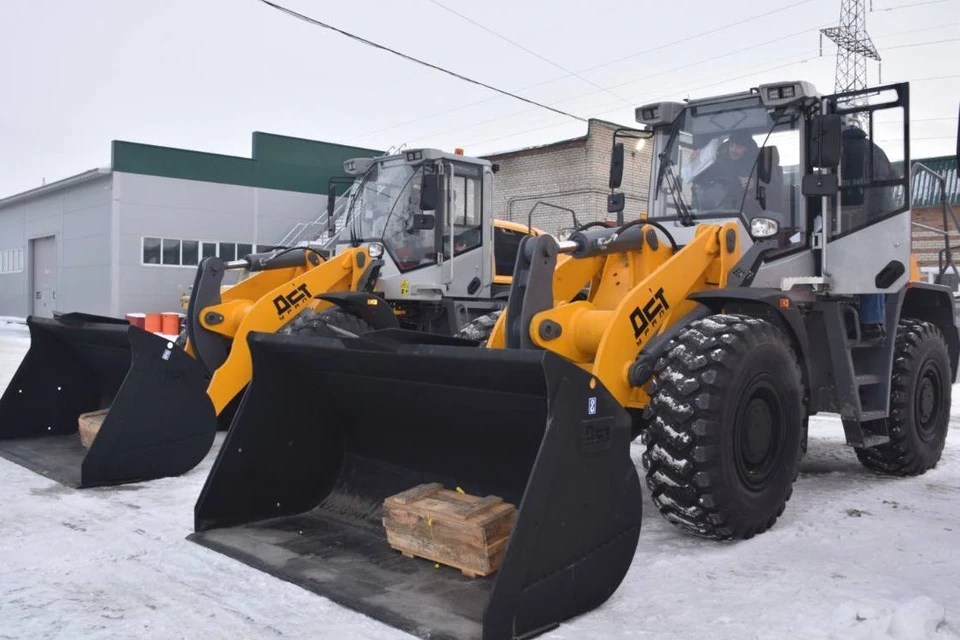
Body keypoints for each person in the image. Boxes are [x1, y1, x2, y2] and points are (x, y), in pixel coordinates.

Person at [692, 131, 760, 210]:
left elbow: (768, 189)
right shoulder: (716, 162)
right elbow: (697, 180)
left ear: (747, 150)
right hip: (712, 211)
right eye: (731, 145)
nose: (733, 150)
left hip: (740, 212)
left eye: (738, 147)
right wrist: (697, 161)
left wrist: (753, 185)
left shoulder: (755, 167)